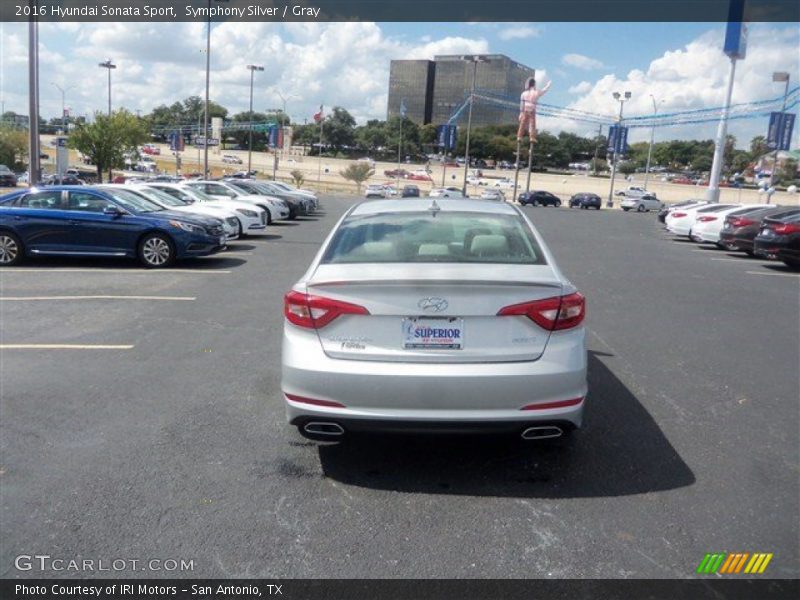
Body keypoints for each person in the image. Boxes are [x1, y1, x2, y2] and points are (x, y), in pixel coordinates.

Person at [517, 77, 551, 142]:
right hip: (532, 109)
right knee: (532, 124)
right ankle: (532, 137)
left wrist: (521, 113)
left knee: (522, 124)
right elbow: (544, 90)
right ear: (534, 84)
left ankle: (519, 137)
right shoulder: (536, 92)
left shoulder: (523, 93)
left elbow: (522, 104)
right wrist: (548, 85)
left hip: (525, 110)